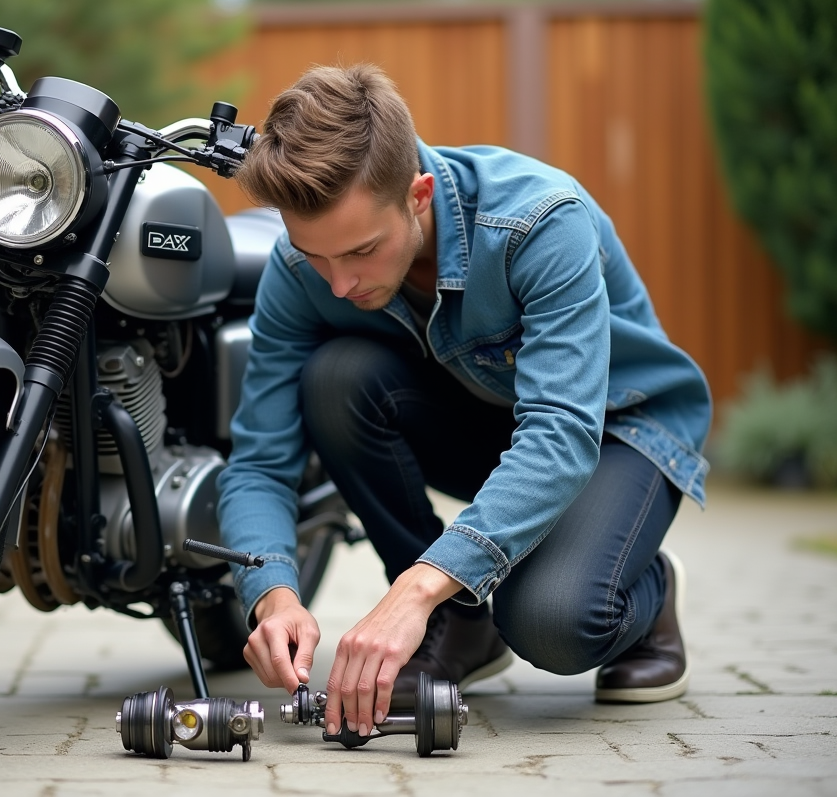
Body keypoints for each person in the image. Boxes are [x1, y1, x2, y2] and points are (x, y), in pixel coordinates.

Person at [215, 63, 712, 740]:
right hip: (492, 427)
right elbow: (259, 463)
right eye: (317, 256)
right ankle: (461, 623)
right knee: (335, 377)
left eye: (361, 251)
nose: (337, 285)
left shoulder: (538, 220)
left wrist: (412, 590)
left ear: (417, 195)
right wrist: (271, 593)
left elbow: (560, 437)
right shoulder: (301, 271)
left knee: (553, 623)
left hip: (614, 432)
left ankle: (643, 591)